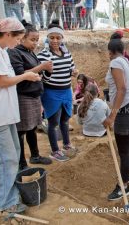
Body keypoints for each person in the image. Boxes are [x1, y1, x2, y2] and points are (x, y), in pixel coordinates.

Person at [0, 18, 41, 213]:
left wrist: (27, 75)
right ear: (7, 35)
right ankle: (4, 201)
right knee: (6, 159)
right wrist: (26, 76)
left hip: (4, 114)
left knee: (11, 156)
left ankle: (10, 194)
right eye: (18, 38)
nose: (18, 42)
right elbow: (2, 81)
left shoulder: (2, 51)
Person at [8, 20, 53, 171]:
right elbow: (20, 74)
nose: (35, 43)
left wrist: (46, 71)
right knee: (21, 130)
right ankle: (21, 162)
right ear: (22, 38)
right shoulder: (15, 52)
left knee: (32, 127)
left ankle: (35, 155)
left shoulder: (29, 52)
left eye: (37, 40)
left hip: (34, 96)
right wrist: (42, 66)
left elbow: (36, 72)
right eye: (32, 40)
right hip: (23, 96)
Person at [103, 38, 129, 201]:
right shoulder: (128, 63)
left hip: (125, 111)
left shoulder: (116, 64)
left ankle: (123, 186)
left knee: (124, 152)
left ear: (110, 53)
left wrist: (112, 115)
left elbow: (122, 89)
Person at [37, 20, 78, 161]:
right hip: (51, 93)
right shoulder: (43, 55)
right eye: (52, 37)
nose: (55, 40)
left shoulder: (66, 53)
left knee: (65, 120)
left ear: (62, 38)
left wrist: (74, 72)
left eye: (58, 37)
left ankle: (66, 145)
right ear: (47, 38)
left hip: (66, 91)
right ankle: (55, 151)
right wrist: (47, 71)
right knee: (53, 122)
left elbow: (71, 68)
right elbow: (41, 79)